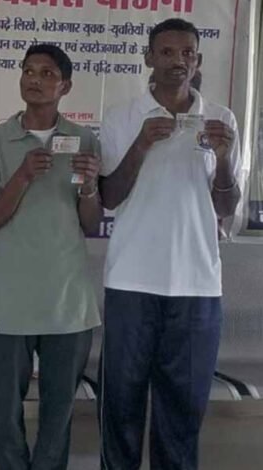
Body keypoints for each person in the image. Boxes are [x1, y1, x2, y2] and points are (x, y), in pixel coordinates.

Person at [98, 18, 241, 470]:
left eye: (187, 53)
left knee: (182, 412)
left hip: (197, 285)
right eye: (166, 52)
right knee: (120, 405)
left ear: (198, 60)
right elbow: (108, 197)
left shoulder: (221, 119)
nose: (177, 60)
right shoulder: (122, 117)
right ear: (149, 57)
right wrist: (140, 145)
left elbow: (226, 205)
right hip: (131, 281)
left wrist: (223, 160)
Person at [0, 44, 103, 470]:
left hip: (67, 299)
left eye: (47, 74)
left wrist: (89, 188)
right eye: (29, 71)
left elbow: (90, 223)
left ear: (66, 86)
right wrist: (23, 175)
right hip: (10, 298)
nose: (35, 80)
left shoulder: (85, 140)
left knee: (59, 408)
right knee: (6, 408)